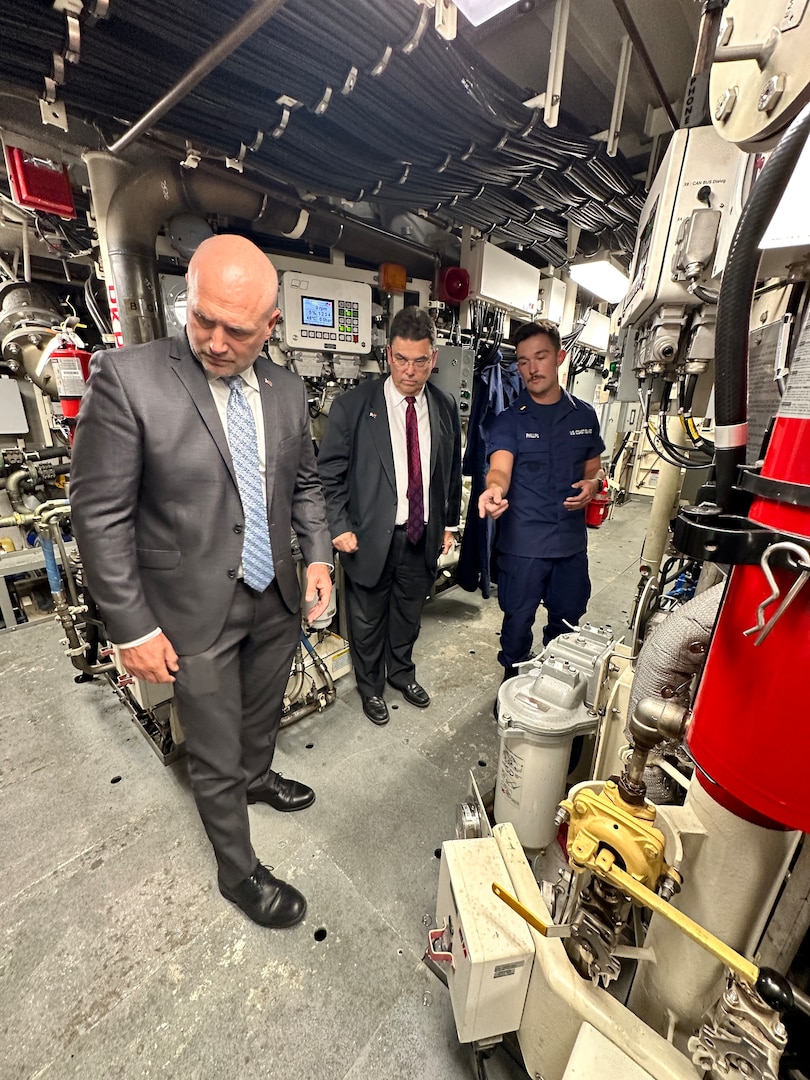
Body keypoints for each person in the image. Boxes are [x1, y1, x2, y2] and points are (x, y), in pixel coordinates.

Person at [70, 234, 333, 930]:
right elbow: (98, 515)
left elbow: (304, 486)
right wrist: (131, 627)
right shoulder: (127, 378)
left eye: (237, 330)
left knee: (261, 710)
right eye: (203, 319)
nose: (215, 341)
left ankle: (257, 776)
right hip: (190, 606)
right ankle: (238, 869)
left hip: (275, 594)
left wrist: (314, 559)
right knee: (211, 741)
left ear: (270, 326)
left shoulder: (286, 389)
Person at [318, 306, 462, 726]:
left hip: (421, 536)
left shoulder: (443, 405)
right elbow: (328, 474)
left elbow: (450, 468)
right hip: (367, 537)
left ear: (433, 358)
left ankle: (401, 673)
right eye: (401, 359)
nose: (410, 371)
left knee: (408, 615)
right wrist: (337, 526)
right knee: (365, 620)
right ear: (388, 355)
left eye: (420, 361)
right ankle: (371, 686)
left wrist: (449, 524)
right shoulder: (353, 406)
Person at [478, 319, 605, 677]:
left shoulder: (584, 415)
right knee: (517, 623)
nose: (532, 369)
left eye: (540, 357)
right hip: (524, 547)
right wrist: (493, 489)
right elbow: (500, 469)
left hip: (569, 546)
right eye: (522, 361)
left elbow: (594, 467)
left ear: (559, 357)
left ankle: (555, 684)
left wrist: (593, 484)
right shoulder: (509, 421)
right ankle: (511, 682)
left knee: (566, 625)